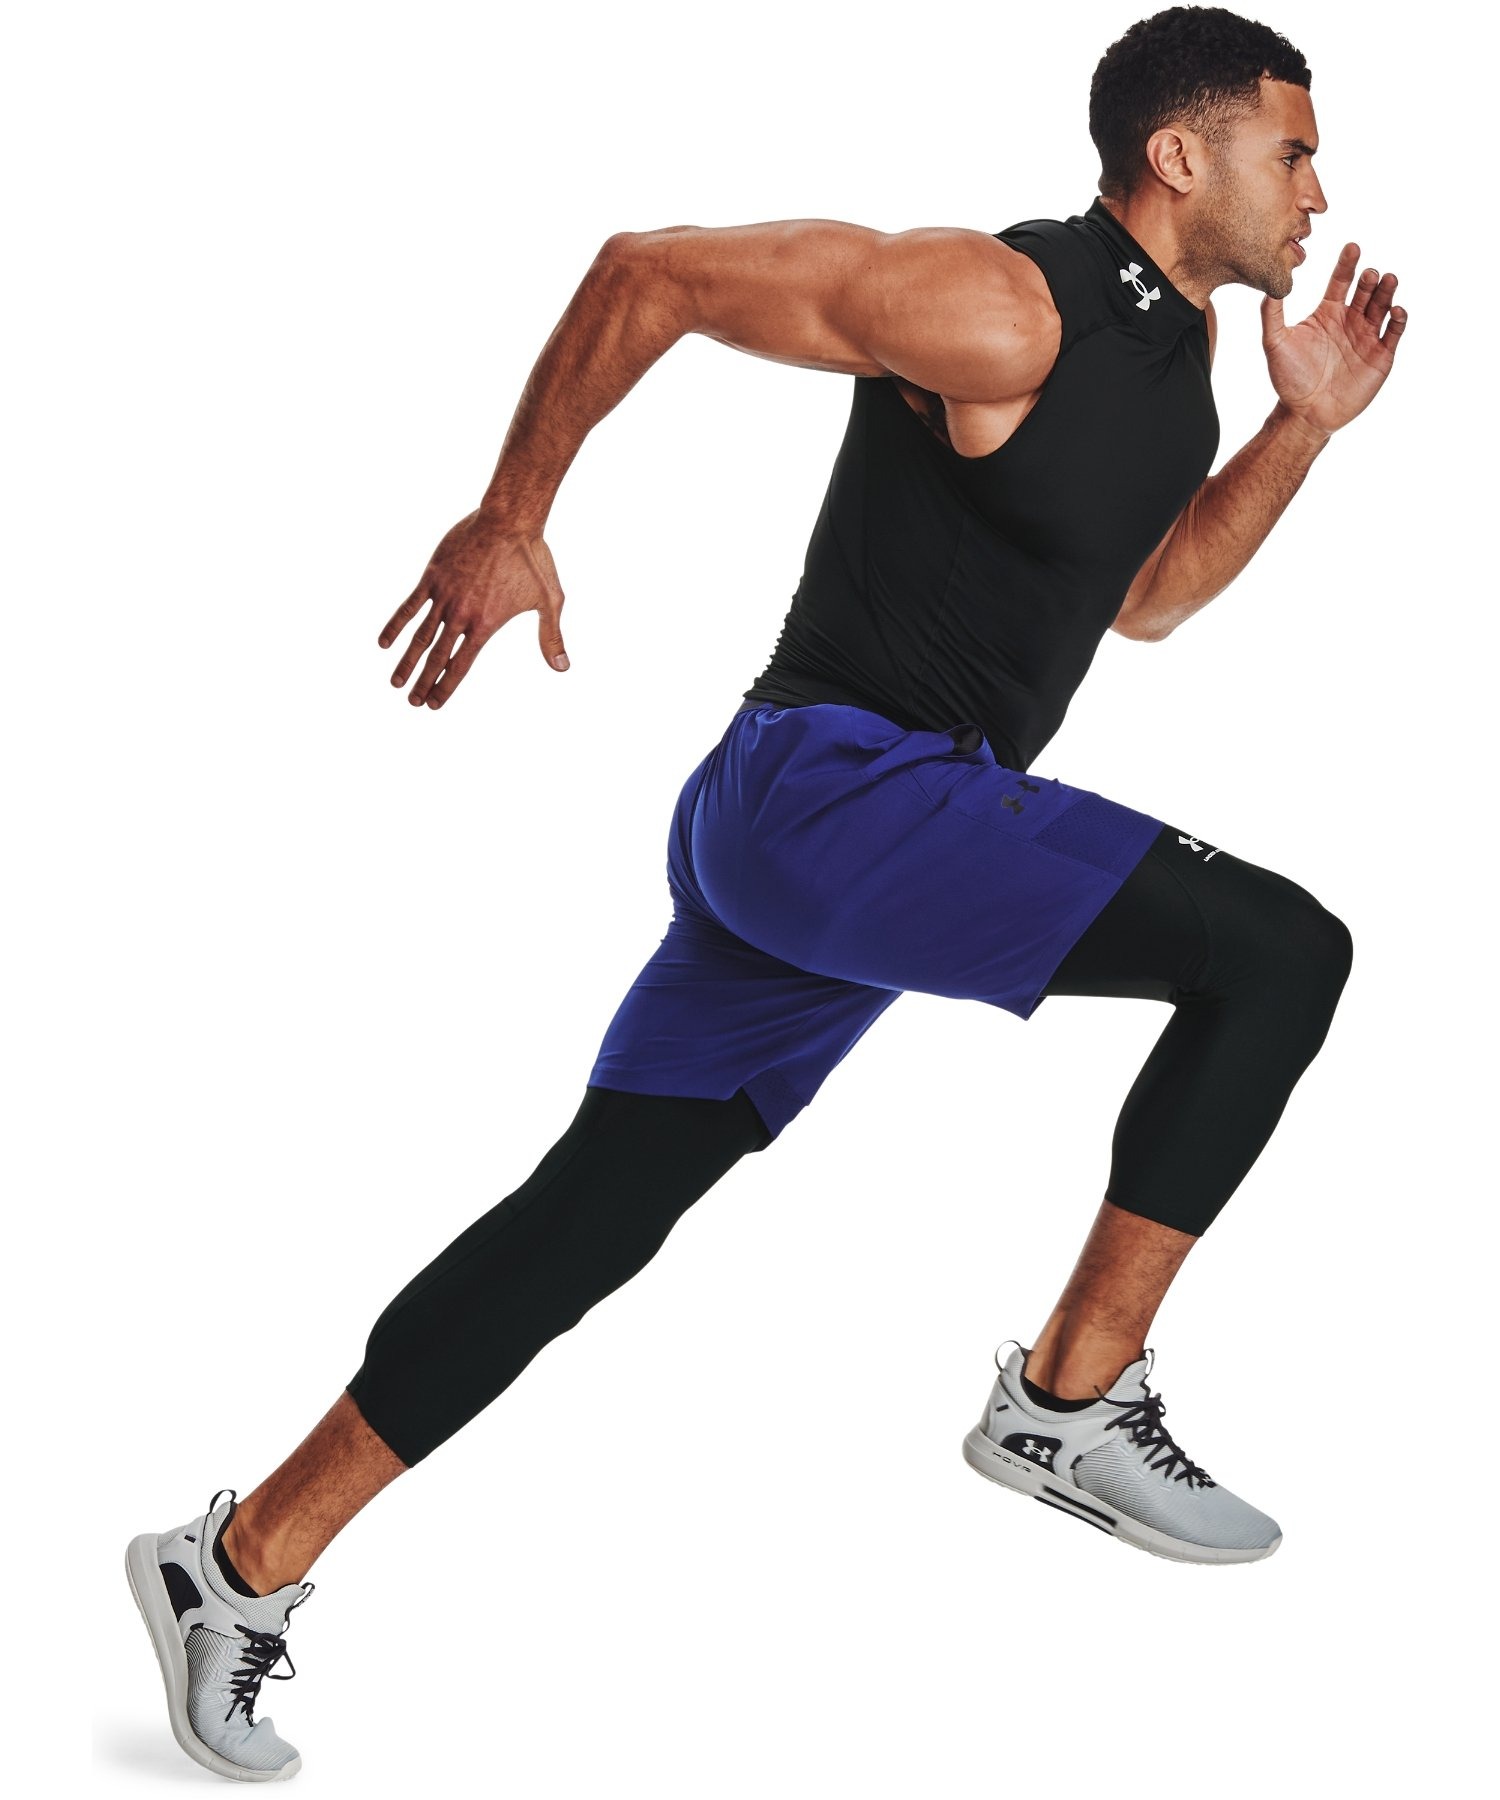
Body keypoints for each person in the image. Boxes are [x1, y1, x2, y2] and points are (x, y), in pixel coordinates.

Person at [126, 4, 1405, 1781]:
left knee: (588, 1220)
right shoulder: (1002, 302)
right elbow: (647, 271)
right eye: (1294, 151)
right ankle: (1069, 1397)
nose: (1318, 190)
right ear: (1179, 157)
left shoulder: (1174, 354)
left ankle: (235, 1566)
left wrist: (1304, 428)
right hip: (840, 796)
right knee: (1278, 954)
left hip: (845, 833)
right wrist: (514, 513)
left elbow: (1148, 599)